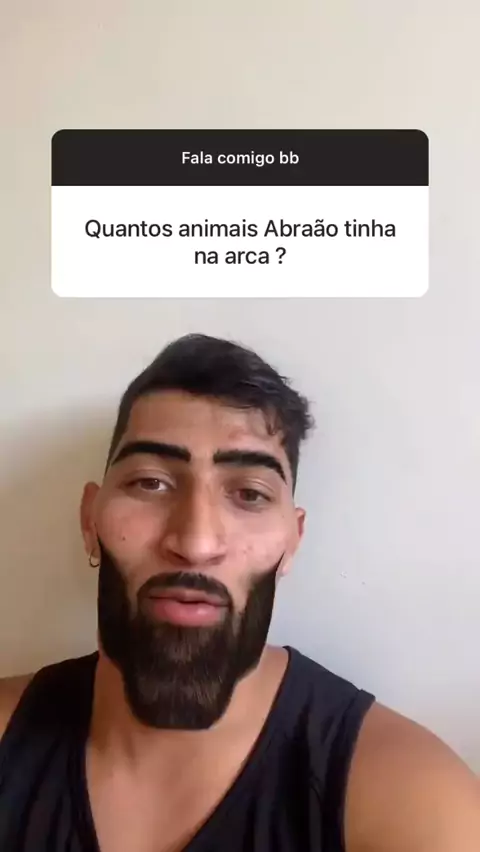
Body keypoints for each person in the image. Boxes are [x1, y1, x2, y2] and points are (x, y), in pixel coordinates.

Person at [0, 334, 478, 852]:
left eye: (250, 494)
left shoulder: (414, 799)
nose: (196, 543)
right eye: (150, 483)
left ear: (292, 541)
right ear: (90, 520)